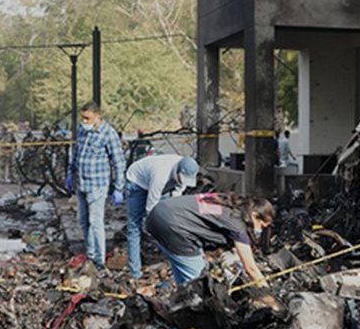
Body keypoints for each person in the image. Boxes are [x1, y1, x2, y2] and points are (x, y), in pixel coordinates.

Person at [144, 193, 274, 286]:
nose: (260, 230)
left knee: (184, 274)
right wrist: (269, 296)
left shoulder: (227, 200)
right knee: (200, 284)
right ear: (255, 215)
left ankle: (180, 308)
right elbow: (251, 268)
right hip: (173, 226)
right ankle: (194, 320)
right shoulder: (237, 223)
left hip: (157, 214)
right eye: (262, 226)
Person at [66, 102, 125, 269]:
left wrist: (119, 186)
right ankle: (90, 254)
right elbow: (77, 153)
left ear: (98, 117)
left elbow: (118, 161)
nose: (84, 121)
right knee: (83, 221)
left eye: (88, 118)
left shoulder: (108, 133)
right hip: (82, 183)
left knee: (95, 221)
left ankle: (99, 260)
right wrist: (71, 173)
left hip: (97, 184)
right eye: (83, 118)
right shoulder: (83, 131)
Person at [124, 154, 199, 279]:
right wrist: (152, 226)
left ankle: (169, 262)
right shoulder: (160, 176)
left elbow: (175, 199)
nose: (183, 182)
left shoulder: (184, 172)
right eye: (182, 179)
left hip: (160, 182)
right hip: (137, 181)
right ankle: (135, 273)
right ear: (178, 172)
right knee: (134, 227)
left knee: (166, 223)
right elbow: (151, 207)